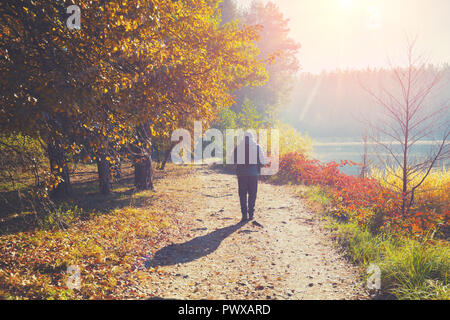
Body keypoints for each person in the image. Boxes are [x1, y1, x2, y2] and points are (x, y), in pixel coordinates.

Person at [232, 131, 266, 222]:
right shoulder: (258, 147)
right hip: (253, 174)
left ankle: (244, 215)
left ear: (244, 138)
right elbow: (263, 162)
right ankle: (251, 214)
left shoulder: (238, 147)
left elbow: (232, 160)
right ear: (252, 137)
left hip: (241, 174)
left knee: (242, 194)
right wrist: (259, 166)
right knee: (252, 194)